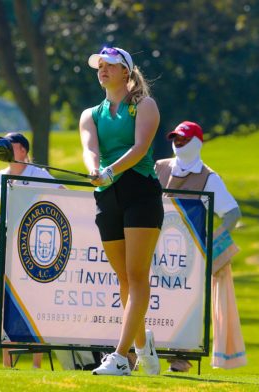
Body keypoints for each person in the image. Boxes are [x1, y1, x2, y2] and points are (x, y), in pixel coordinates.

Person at [79, 46, 163, 376]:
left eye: (110, 65)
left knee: (138, 275)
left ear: (126, 71)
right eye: (100, 65)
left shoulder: (144, 105)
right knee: (124, 278)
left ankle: (121, 356)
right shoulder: (90, 114)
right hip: (106, 195)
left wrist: (110, 170)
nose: (103, 69)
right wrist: (95, 170)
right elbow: (89, 149)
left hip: (140, 190)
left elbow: (140, 147)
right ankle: (145, 349)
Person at [155, 120, 247, 372]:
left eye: (184, 139)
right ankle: (133, 354)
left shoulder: (209, 177)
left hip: (189, 258)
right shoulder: (160, 167)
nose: (178, 143)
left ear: (197, 142)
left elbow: (232, 213)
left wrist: (210, 242)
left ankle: (180, 360)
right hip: (154, 250)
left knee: (184, 307)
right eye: (175, 138)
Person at [0, 132, 63, 369]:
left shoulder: (37, 174)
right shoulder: (1, 175)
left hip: (32, 245)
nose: (5, 147)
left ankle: (36, 364)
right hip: (5, 242)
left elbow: (63, 194)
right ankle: (8, 365)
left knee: (35, 303)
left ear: (23, 151)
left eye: (11, 144)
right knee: (5, 305)